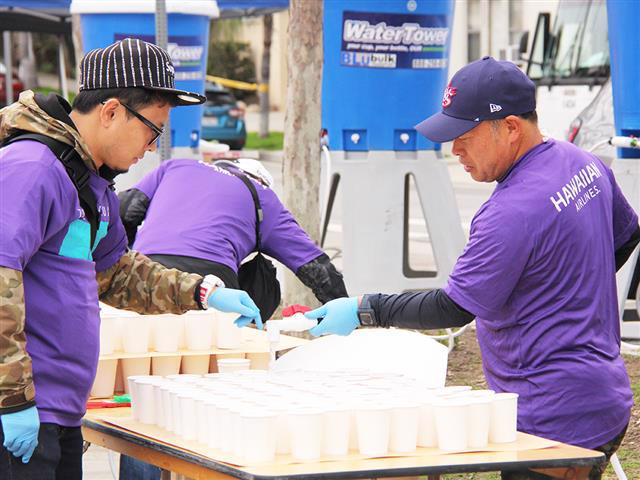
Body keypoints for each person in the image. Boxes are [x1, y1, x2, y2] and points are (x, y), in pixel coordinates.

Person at [305, 56, 638, 479]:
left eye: (464, 135)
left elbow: (453, 308)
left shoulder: (509, 212)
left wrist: (363, 309)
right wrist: (567, 290)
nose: (454, 149)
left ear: (512, 128)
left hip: (552, 416)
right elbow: (625, 238)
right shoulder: (585, 165)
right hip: (603, 394)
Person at [0, 38, 261, 480]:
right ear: (112, 111)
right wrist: (11, 400)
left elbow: (114, 271)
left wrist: (200, 291)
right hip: (23, 410)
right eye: (152, 129)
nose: (152, 147)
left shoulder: (90, 183)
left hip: (59, 411)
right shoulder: (32, 168)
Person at [119, 157, 349, 317]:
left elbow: (125, 211)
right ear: (259, 180)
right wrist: (346, 313)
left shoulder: (175, 167)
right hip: (212, 284)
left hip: (145, 272)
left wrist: (127, 257)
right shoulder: (261, 196)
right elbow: (316, 268)